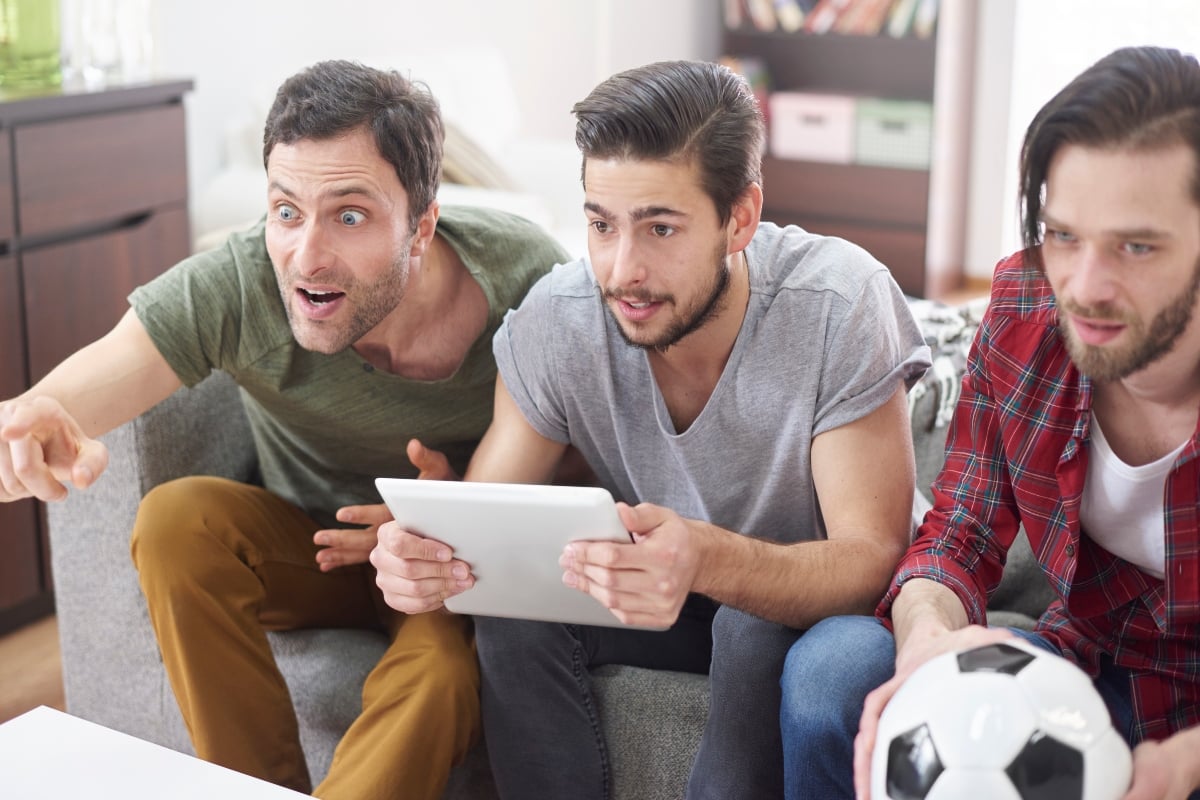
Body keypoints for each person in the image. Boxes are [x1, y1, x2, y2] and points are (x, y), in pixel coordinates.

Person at [0, 60, 568, 799]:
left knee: (441, 680)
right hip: (309, 546)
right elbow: (76, 392)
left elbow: (587, 459)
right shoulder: (242, 283)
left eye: (351, 215)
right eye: (287, 211)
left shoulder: (527, 282)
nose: (306, 256)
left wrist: (453, 510)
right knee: (176, 521)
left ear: (422, 225)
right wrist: (28, 424)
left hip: (443, 566)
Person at [370, 59, 931, 799]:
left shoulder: (838, 303)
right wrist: (424, 558)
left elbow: (870, 559)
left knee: (752, 628)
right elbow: (486, 530)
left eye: (660, 227)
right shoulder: (558, 321)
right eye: (602, 225)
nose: (622, 270)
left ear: (740, 217)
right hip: (660, 603)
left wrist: (706, 560)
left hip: (816, 607)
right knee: (511, 615)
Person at [779, 45, 1200, 800]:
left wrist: (1187, 762)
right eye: (1064, 236)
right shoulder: (1026, 311)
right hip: (1084, 676)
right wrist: (927, 640)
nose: (1084, 286)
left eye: (1136, 247)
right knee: (832, 671)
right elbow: (960, 533)